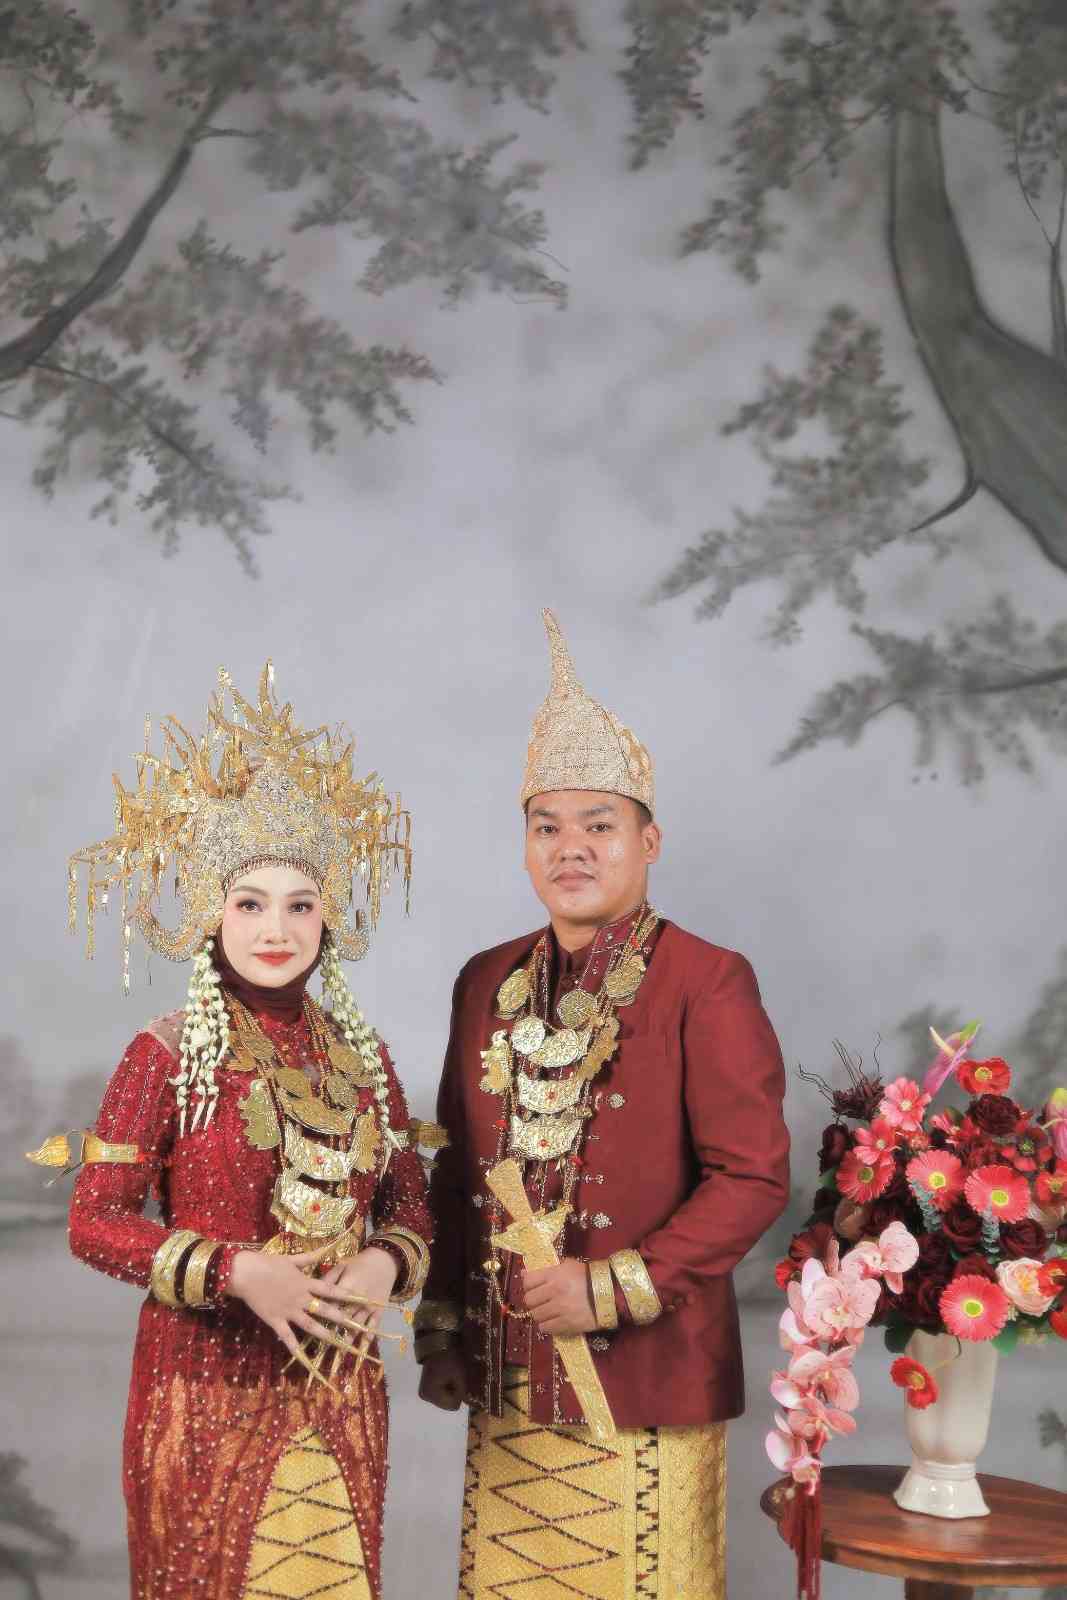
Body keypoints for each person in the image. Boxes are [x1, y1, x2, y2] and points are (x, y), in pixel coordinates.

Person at [32, 665, 433, 1600]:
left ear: (330, 917)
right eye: (249, 902)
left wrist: (387, 1264)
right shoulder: (166, 1054)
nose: (274, 928)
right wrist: (235, 1271)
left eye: (300, 903)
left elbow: (410, 1205)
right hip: (203, 1391)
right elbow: (94, 1221)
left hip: (340, 1393)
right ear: (210, 913)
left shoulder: (362, 1057)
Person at [415, 612, 790, 1599]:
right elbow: (455, 1170)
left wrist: (614, 1285)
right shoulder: (482, 979)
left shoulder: (706, 979)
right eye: (546, 826)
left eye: (598, 825)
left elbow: (751, 1177)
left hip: (646, 1375)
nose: (569, 848)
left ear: (647, 839)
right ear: (524, 844)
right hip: (507, 1375)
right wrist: (444, 1330)